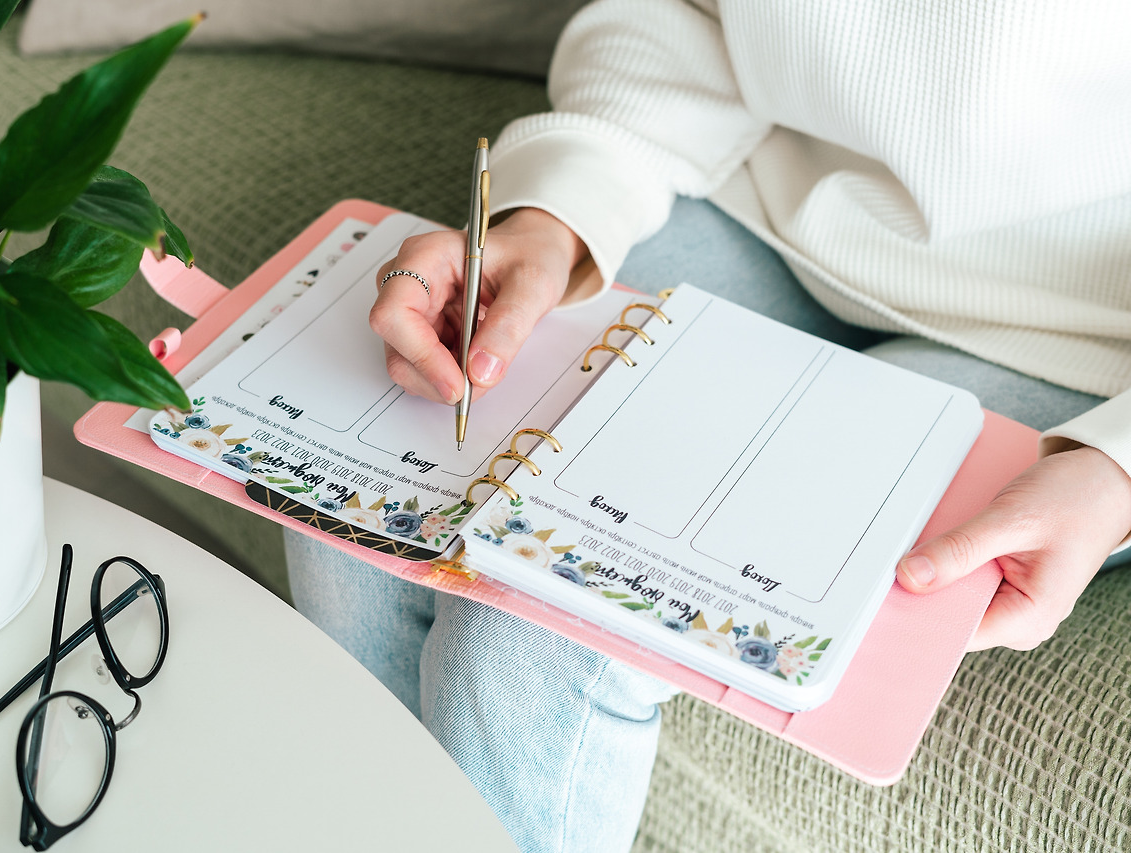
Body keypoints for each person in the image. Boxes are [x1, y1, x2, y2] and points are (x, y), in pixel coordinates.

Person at [287, 2, 1131, 850]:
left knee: (545, 616)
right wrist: (557, 213)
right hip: (763, 202)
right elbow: (680, 22)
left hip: (1086, 341)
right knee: (347, 485)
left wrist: (1119, 465)